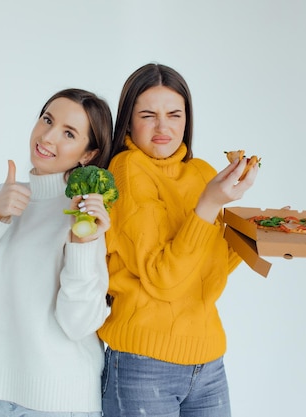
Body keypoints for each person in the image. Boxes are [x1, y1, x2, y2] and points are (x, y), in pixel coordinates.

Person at [98, 63, 258, 417]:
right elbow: (163, 276)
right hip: (143, 364)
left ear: (187, 119)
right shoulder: (126, 171)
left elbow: (207, 268)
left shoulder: (201, 173)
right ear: (128, 121)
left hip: (209, 360)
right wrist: (210, 204)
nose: (163, 127)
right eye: (148, 115)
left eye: (174, 114)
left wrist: (263, 234)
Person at [0, 88, 113, 417]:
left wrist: (82, 244)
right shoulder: (6, 197)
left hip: (61, 405)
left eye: (69, 133)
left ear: (88, 155)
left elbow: (78, 324)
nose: (48, 136)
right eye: (47, 120)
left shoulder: (85, 211)